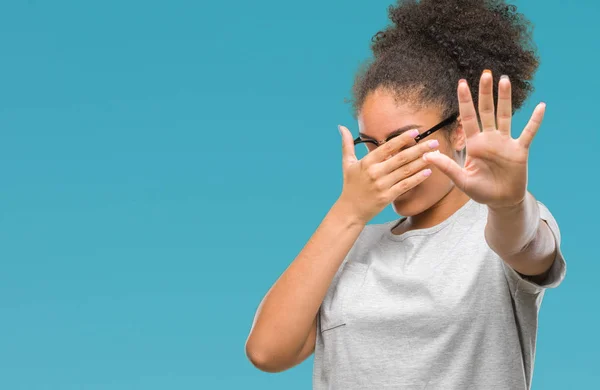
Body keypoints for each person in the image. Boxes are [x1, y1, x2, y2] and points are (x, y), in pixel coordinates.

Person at [245, 0, 567, 389]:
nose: (387, 161)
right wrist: (348, 212)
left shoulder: (497, 226)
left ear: (460, 130)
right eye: (373, 145)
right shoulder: (351, 245)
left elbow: (527, 246)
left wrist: (509, 204)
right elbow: (266, 351)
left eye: (405, 142)